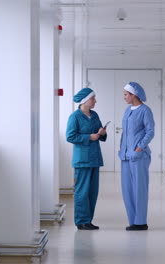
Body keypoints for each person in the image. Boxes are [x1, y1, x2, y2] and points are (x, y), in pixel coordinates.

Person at [66, 87, 107, 230]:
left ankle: (88, 220)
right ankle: (81, 221)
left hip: (94, 158)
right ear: (85, 100)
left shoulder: (94, 115)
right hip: (82, 160)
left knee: (92, 192)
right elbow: (70, 136)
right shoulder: (75, 117)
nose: (95, 101)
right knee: (82, 192)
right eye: (93, 98)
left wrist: (101, 133)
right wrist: (89, 137)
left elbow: (100, 134)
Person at [118, 82, 155, 231]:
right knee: (127, 189)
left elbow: (150, 131)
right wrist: (122, 150)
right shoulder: (127, 110)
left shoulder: (145, 110)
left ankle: (141, 222)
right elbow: (125, 132)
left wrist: (139, 148)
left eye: (126, 94)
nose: (124, 97)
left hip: (139, 157)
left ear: (134, 95)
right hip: (125, 156)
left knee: (139, 189)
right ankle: (132, 221)